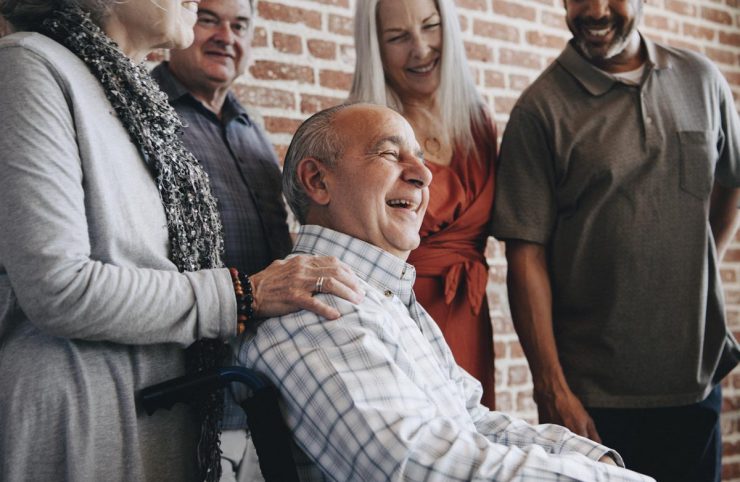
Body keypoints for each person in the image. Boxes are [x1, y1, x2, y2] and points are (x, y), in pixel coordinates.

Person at [0, 0, 362, 480]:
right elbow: (59, 288)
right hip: (82, 424)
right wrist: (243, 295)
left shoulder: (131, 98)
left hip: (162, 412)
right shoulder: (30, 64)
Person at [236, 102, 653, 481]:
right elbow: (416, 467)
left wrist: (589, 458)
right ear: (318, 180)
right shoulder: (315, 306)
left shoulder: (383, 297)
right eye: (388, 153)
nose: (423, 173)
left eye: (417, 155)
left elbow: (471, 420)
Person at [491, 1, 740, 480]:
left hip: (696, 385)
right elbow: (525, 257)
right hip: (594, 406)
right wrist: (552, 389)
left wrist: (699, 262)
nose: (597, 10)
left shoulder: (703, 80)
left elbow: (730, 181)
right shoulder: (539, 109)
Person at [349, 0, 497, 409]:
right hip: (400, 320)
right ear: (375, 47)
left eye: (430, 27)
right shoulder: (361, 132)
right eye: (398, 37)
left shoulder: (477, 123)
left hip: (469, 315)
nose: (420, 48)